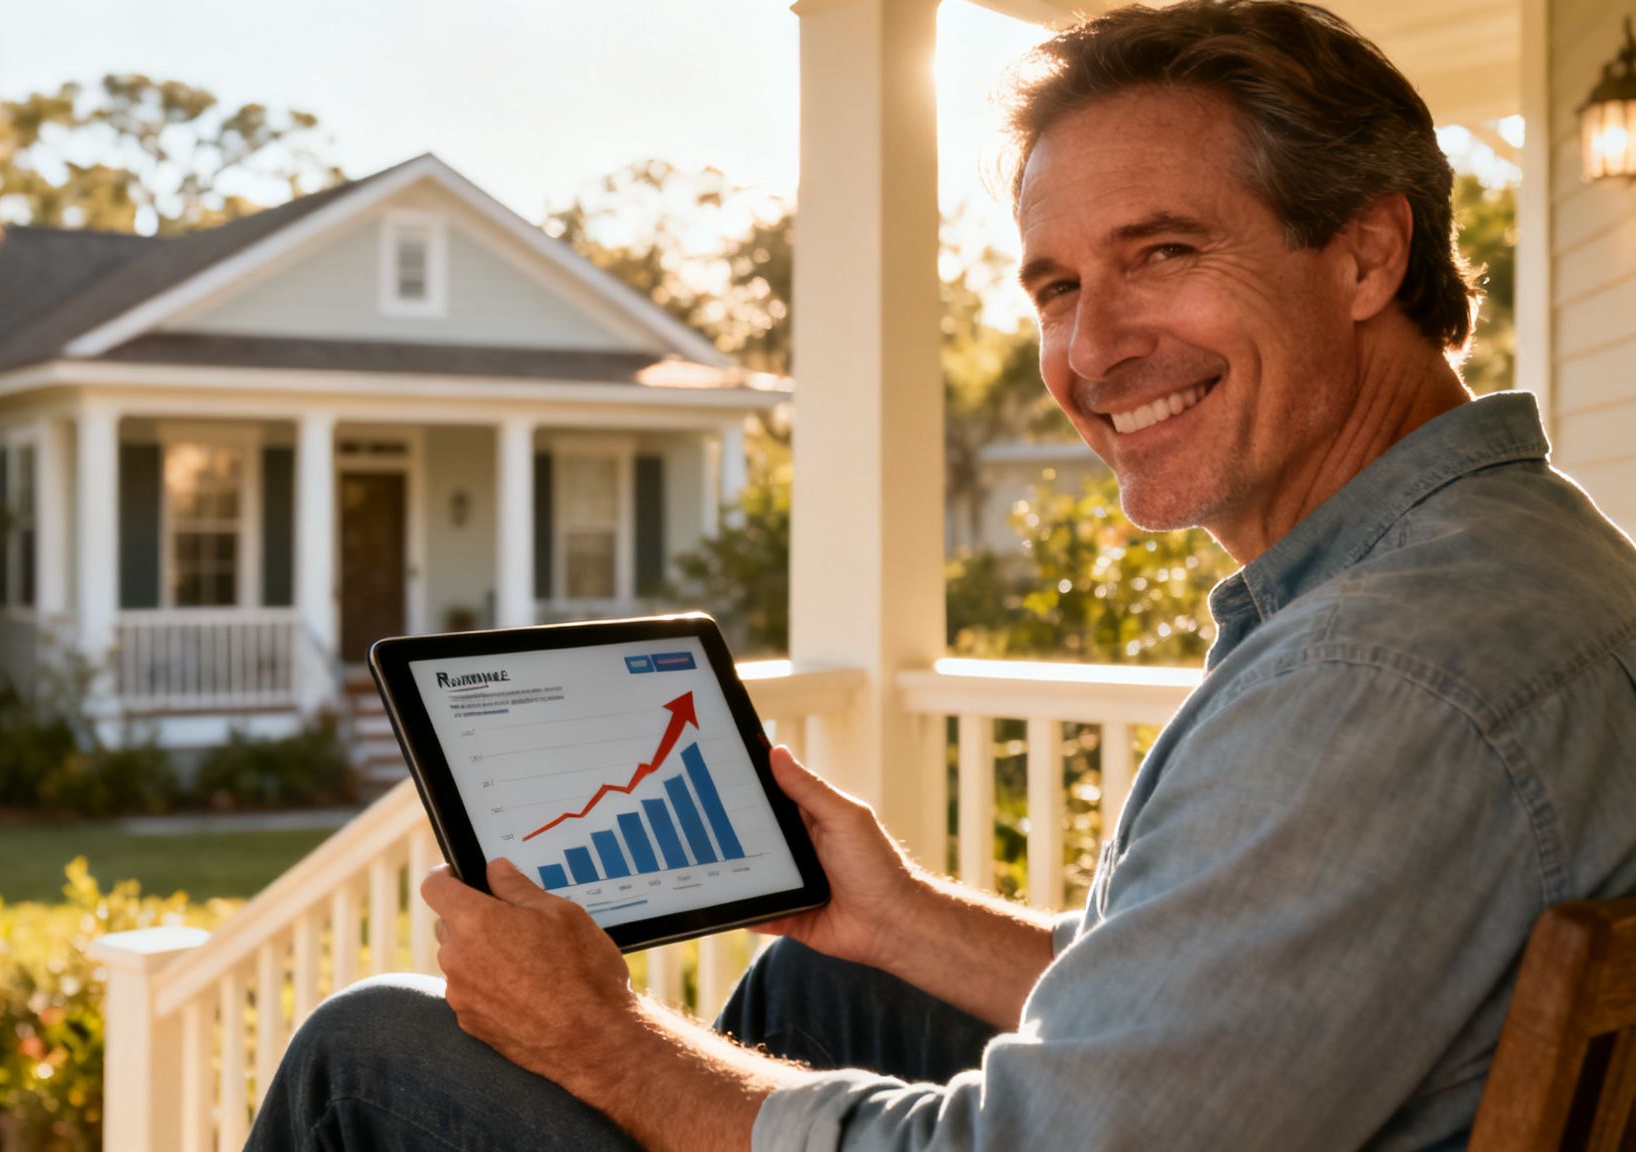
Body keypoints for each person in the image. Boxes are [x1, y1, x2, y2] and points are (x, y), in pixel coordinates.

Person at [247, 2, 1636, 1148]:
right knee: (822, 974)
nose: (1092, 351)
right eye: (1054, 288)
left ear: (1367, 254)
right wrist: (901, 915)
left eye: (1162, 252)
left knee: (371, 1055)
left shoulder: (1372, 678)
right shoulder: (1532, 567)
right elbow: (1212, 1026)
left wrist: (602, 1041)